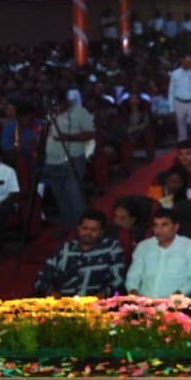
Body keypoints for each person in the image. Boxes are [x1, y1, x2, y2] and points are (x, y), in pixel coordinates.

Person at [33, 209, 126, 297]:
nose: (88, 233)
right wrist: (51, 293)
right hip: (64, 300)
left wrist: (104, 294)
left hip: (97, 302)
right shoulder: (65, 249)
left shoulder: (111, 248)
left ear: (102, 232)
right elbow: (40, 279)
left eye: (93, 230)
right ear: (79, 228)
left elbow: (119, 279)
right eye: (85, 228)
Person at [44, 89, 94, 231]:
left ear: (65, 101)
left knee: (74, 193)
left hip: (73, 158)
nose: (56, 107)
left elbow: (90, 133)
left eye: (57, 104)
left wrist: (68, 137)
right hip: (52, 160)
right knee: (60, 195)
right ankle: (68, 227)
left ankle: (84, 229)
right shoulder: (50, 114)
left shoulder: (80, 112)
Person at [125, 209, 191, 297]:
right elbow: (133, 275)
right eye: (156, 225)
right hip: (144, 301)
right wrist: (133, 292)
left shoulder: (190, 247)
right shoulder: (143, 246)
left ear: (176, 227)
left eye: (164, 225)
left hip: (176, 301)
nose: (159, 230)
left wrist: (179, 294)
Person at [168, 53, 191, 150]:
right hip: (179, 102)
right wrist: (171, 108)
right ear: (181, 61)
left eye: (190, 61)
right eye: (186, 61)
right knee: (181, 129)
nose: (188, 63)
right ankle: (182, 150)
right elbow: (171, 91)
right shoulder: (175, 73)